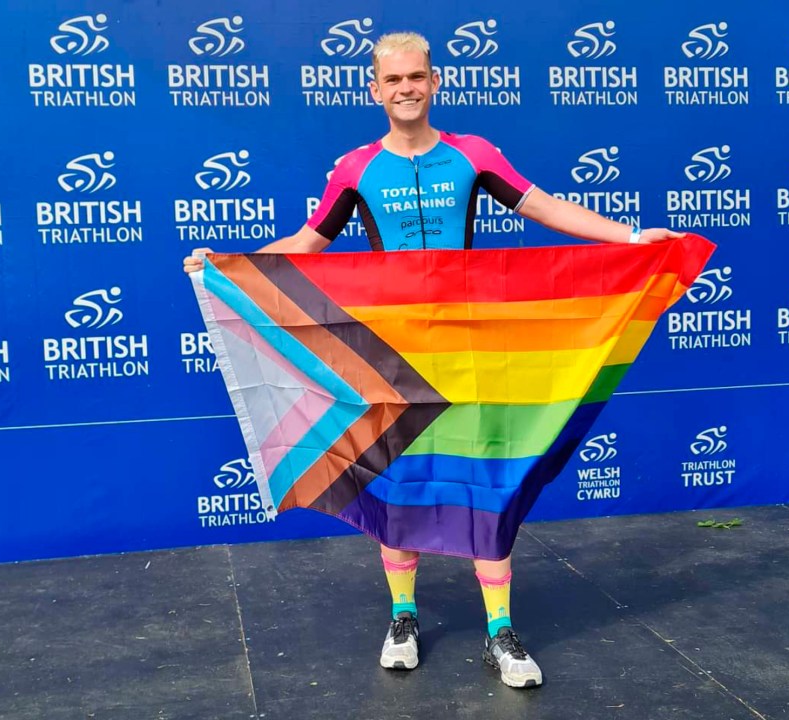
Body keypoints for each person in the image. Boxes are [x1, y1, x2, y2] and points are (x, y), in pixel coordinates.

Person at [184, 31, 682, 689]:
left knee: (486, 485)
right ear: (375, 90)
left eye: (415, 77)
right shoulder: (355, 169)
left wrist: (630, 237)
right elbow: (308, 243)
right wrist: (231, 265)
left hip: (469, 348)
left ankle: (501, 632)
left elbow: (540, 206)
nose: (405, 89)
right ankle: (402, 617)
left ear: (435, 81)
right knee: (400, 482)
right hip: (387, 355)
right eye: (392, 81)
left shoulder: (471, 155)